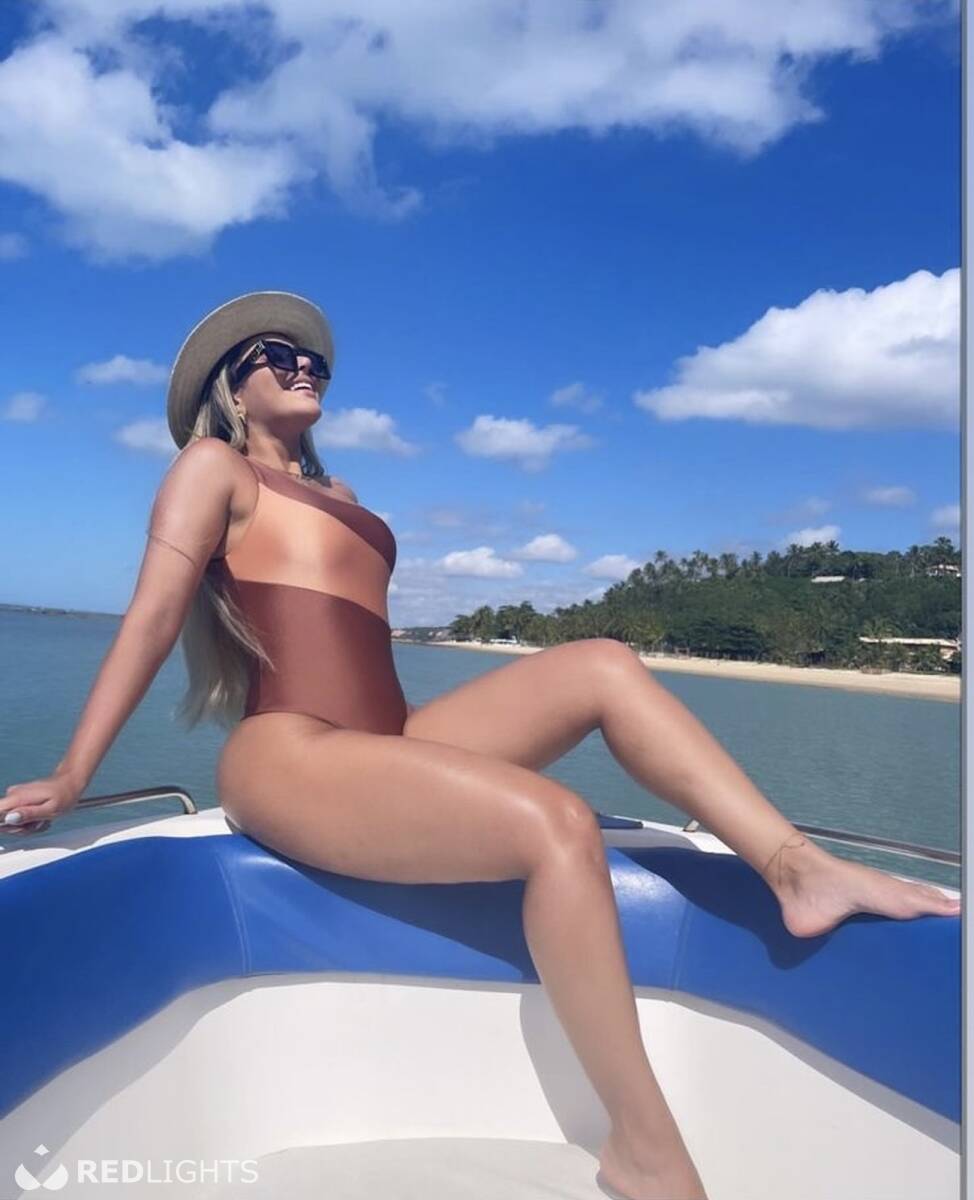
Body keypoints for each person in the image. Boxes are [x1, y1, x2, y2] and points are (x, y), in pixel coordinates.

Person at [1, 290, 960, 1200]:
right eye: (278, 355)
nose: (305, 367)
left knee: (603, 664)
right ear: (232, 383)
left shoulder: (342, 490)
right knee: (556, 823)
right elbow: (152, 617)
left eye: (316, 360)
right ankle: (645, 1148)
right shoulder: (212, 469)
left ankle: (794, 867)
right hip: (287, 749)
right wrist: (75, 773)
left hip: (383, 736)